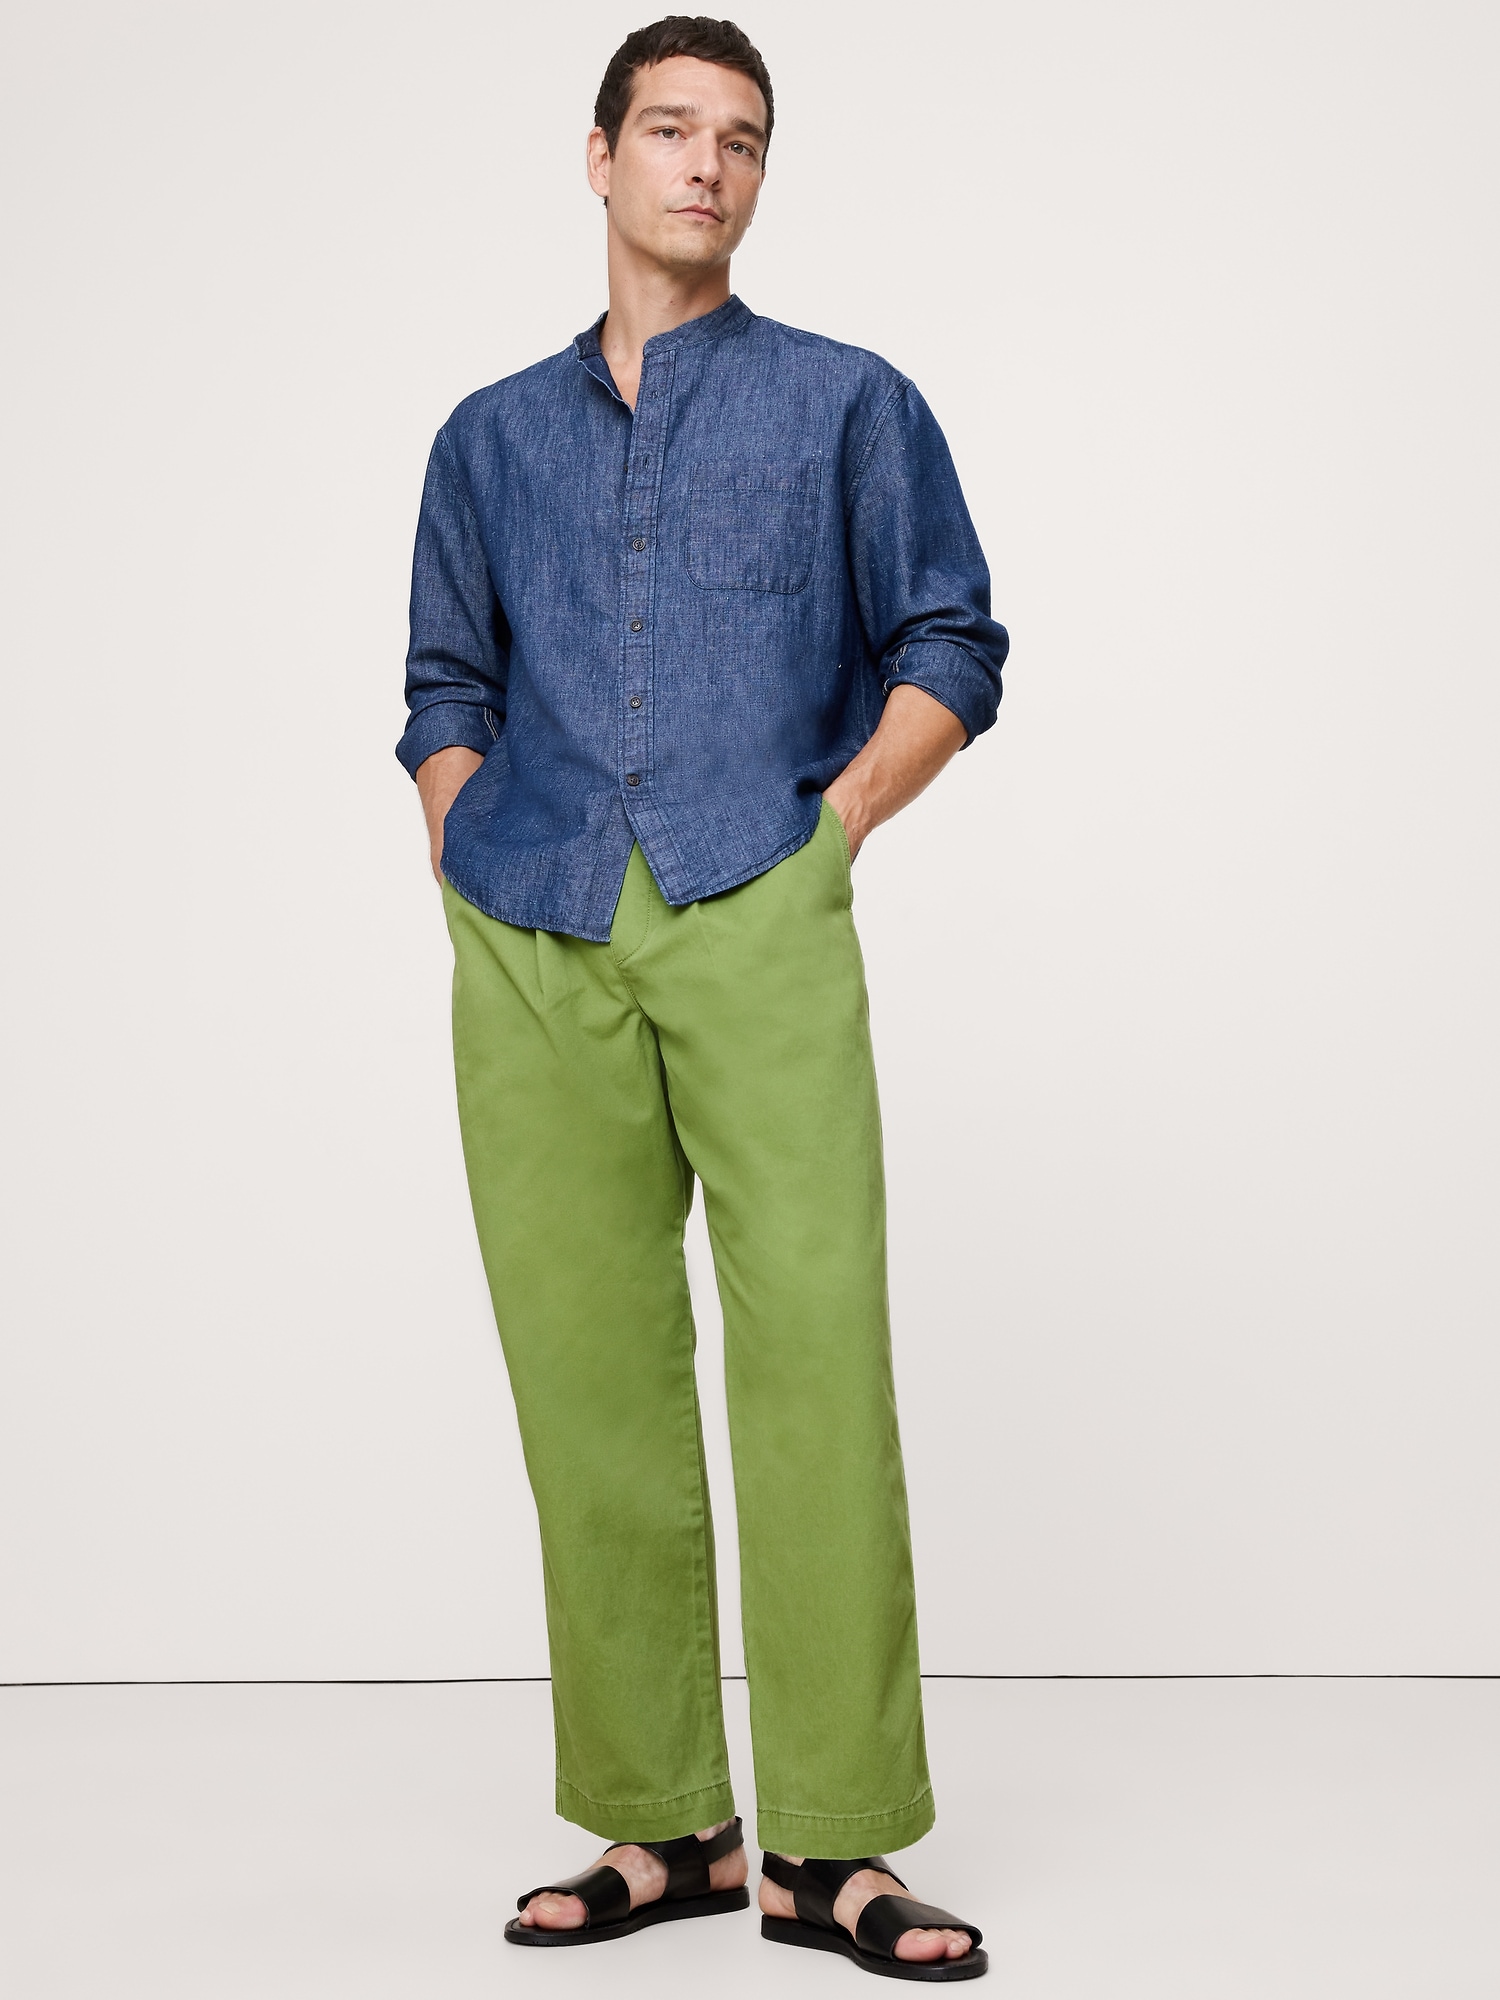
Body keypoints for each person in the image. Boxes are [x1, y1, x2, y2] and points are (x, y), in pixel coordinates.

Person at [397, 16, 1006, 1982]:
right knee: (586, 1378)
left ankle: (832, 1846)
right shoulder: (488, 438)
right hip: (534, 917)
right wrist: (463, 828)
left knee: (814, 1351)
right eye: (669, 129)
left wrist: (833, 831)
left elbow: (952, 642)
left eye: (739, 138)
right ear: (600, 158)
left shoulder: (849, 403)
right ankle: (664, 1820)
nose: (705, 165)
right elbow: (445, 681)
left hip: (757, 894)